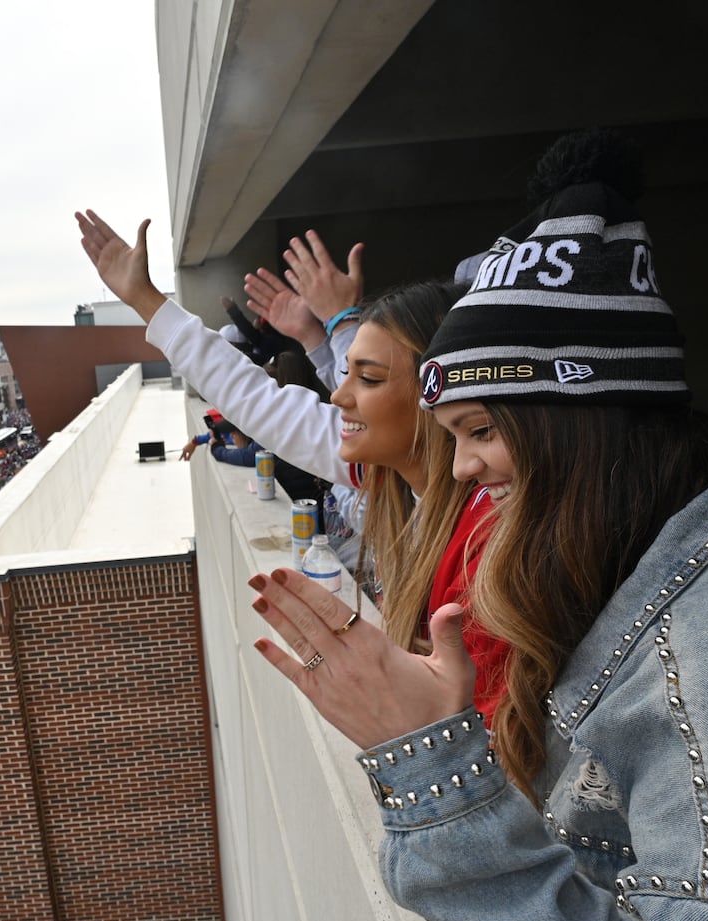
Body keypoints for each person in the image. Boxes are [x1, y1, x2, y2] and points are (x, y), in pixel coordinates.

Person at [246, 133, 708, 921]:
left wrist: (433, 771)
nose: (465, 469)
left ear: (574, 422)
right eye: (453, 439)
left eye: (481, 431)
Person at [77, 209, 512, 712]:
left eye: (366, 379)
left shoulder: (489, 533)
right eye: (344, 371)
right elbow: (256, 400)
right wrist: (146, 301)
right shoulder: (386, 469)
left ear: (435, 395)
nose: (338, 395)